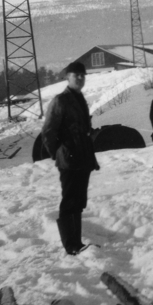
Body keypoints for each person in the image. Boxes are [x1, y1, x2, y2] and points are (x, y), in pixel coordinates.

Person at [41, 61, 100, 255]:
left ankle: (77, 242)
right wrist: (58, 153)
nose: (80, 79)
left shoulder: (79, 98)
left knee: (79, 201)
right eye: (76, 76)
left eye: (83, 75)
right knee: (69, 201)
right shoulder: (61, 100)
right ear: (68, 77)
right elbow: (48, 131)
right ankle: (70, 245)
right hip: (69, 159)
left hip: (83, 158)